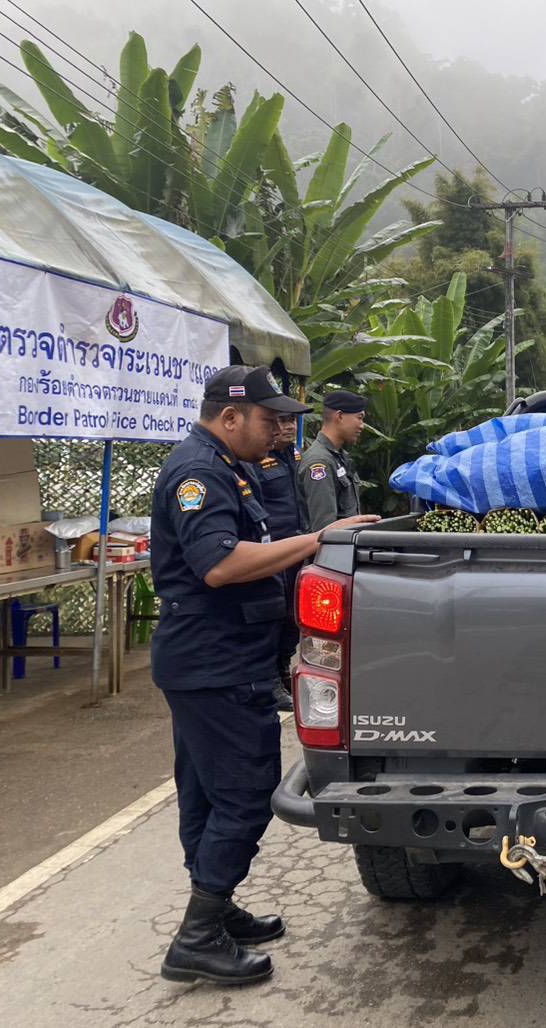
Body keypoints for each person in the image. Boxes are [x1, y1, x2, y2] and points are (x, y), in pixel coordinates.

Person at [150, 366, 377, 985]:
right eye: (269, 419)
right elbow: (220, 564)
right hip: (214, 660)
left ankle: (213, 909)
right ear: (230, 417)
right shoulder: (199, 474)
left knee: (205, 793)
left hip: (216, 656)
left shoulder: (228, 466)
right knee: (246, 793)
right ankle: (197, 937)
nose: (279, 430)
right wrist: (317, 539)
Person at [250, 409, 305, 711]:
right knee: (274, 615)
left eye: (291, 420)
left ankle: (283, 668)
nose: (288, 427)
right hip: (273, 551)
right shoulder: (257, 459)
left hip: (297, 548)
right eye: (281, 421)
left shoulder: (294, 456)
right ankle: (269, 678)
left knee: (293, 616)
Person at [298, 390, 366, 531]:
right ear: (339, 416)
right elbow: (324, 530)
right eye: (359, 418)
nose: (362, 425)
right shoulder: (319, 462)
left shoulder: (340, 457)